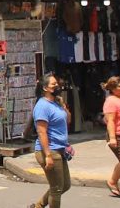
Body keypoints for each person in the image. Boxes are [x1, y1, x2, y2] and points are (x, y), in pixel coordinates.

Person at [31, 73, 72, 208]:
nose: (57, 86)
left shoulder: (56, 103)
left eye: (57, 83)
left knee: (65, 185)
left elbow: (68, 120)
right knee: (57, 188)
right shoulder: (42, 106)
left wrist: (63, 106)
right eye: (53, 84)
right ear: (45, 88)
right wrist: (48, 155)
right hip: (49, 150)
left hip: (60, 149)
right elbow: (41, 131)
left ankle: (38, 206)